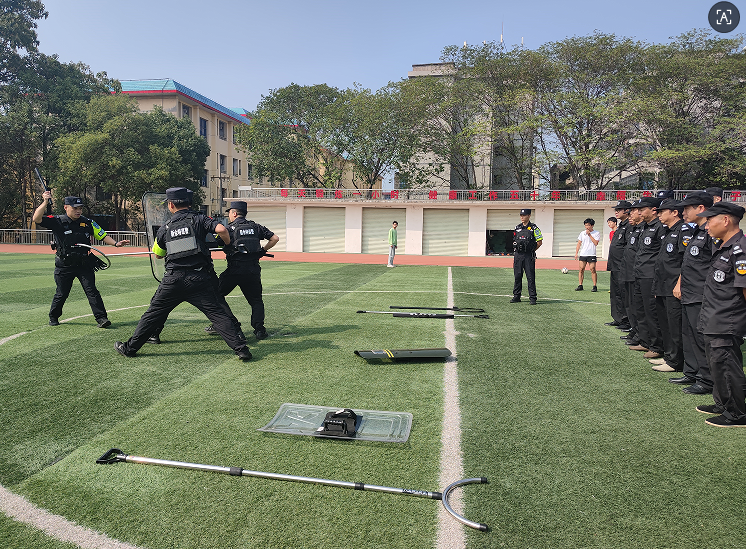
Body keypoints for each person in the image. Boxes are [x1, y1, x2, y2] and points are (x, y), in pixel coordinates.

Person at [115, 187, 252, 361]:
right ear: (189, 203)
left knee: (152, 315)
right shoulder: (200, 218)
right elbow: (222, 230)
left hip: (173, 280)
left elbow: (158, 254)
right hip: (199, 279)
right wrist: (228, 245)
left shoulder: (166, 227)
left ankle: (129, 348)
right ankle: (241, 350)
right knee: (218, 315)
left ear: (171, 205)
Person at [32, 191, 129, 327]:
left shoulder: (88, 222)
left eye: (80, 208)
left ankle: (102, 318)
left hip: (84, 263)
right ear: (66, 207)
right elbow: (36, 219)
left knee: (92, 291)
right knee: (62, 293)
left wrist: (116, 243)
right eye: (75, 208)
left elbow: (102, 235)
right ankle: (53, 316)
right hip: (65, 264)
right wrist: (45, 202)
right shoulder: (57, 221)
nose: (78, 211)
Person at [694, 201, 746, 427]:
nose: (706, 226)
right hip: (714, 317)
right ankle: (723, 404)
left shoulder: (740, 249)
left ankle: (737, 413)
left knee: (726, 365)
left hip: (727, 319)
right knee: (717, 364)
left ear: (725, 220)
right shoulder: (722, 246)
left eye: (709, 221)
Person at [205, 201, 279, 340]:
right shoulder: (255, 227)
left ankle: (226, 324)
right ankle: (259, 330)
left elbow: (216, 242)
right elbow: (275, 238)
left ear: (234, 213)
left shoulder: (229, 229)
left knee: (216, 295)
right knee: (256, 301)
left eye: (229, 213)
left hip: (235, 270)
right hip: (253, 270)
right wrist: (263, 250)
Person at [671, 191, 716, 394]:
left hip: (701, 293)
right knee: (688, 335)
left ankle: (706, 379)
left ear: (701, 208)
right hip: (689, 292)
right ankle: (692, 372)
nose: (684, 212)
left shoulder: (711, 233)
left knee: (700, 337)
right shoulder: (697, 231)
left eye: (687, 208)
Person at [650, 199, 690, 373]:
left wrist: (679, 284)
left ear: (674, 212)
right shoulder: (667, 231)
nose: (659, 214)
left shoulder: (683, 231)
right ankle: (669, 356)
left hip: (674, 286)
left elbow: (685, 261)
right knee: (665, 324)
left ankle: (676, 361)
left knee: (675, 325)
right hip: (663, 285)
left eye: (662, 211)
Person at [628, 197, 666, 360]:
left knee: (651, 312)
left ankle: (656, 346)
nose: (639, 213)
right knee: (641, 310)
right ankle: (645, 341)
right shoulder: (644, 227)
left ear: (653, 210)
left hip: (650, 276)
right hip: (639, 273)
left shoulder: (660, 227)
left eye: (642, 209)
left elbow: (661, 254)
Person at [606, 201, 631, 328]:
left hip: (622, 265)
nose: (616, 211)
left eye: (619, 209)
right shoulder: (621, 226)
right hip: (615, 265)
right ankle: (617, 317)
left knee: (623, 293)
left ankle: (625, 320)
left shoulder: (629, 226)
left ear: (627, 210)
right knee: (615, 293)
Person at [511, 209, 542, 305]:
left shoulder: (534, 228)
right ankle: (516, 296)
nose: (522, 217)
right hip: (518, 255)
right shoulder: (517, 228)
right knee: (517, 276)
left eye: (524, 215)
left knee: (530, 277)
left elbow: (539, 242)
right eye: (521, 215)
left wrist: (532, 251)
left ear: (529, 216)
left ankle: (532, 298)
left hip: (528, 255)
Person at [574, 218, 600, 291]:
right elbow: (579, 243)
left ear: (592, 225)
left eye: (588, 225)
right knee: (581, 269)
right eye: (585, 225)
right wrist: (576, 253)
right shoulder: (582, 233)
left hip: (592, 254)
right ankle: (580, 285)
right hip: (583, 253)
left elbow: (596, 243)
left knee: (593, 269)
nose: (587, 227)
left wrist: (589, 235)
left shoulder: (596, 233)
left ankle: (594, 286)